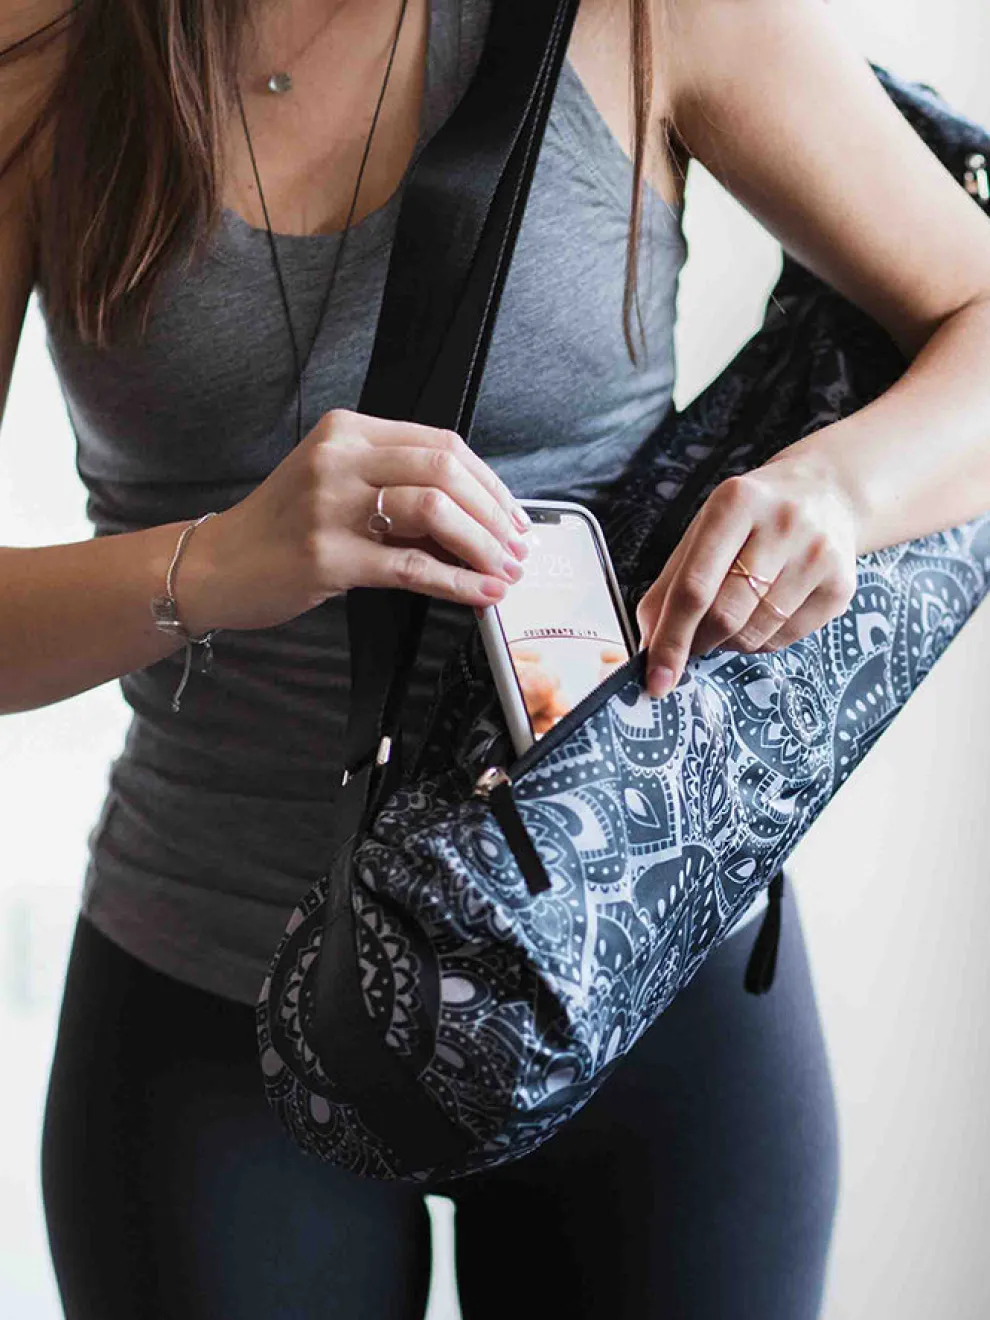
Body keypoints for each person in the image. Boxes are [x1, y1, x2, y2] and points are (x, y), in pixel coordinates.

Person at [4, 0, 990, 1316]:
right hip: (216, 1011)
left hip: (634, 961)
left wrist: (839, 491)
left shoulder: (647, 13)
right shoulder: (42, 46)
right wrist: (219, 562)